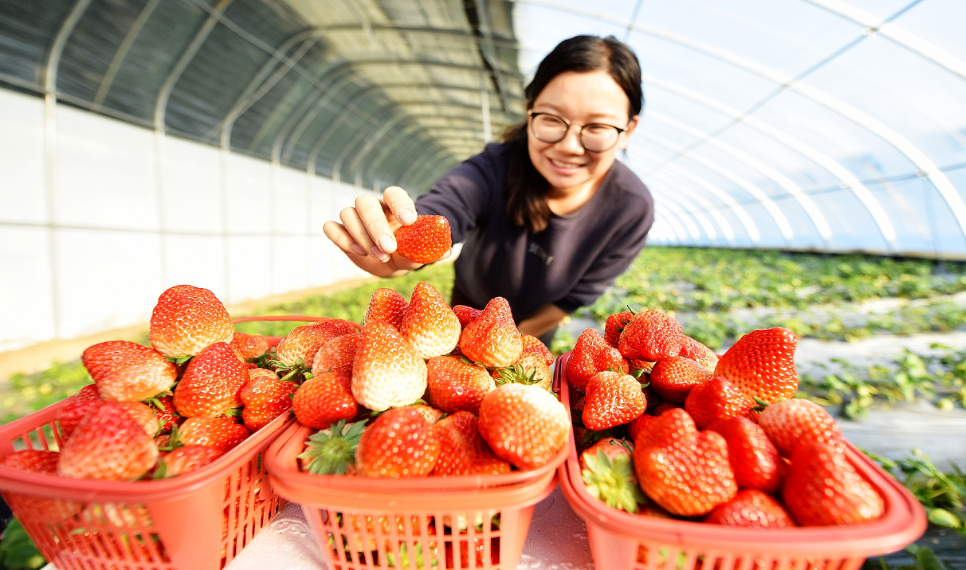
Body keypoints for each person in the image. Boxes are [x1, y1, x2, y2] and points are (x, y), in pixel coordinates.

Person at [323, 35, 654, 347]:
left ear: (628, 130)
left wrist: (512, 343)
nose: (569, 146)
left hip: (533, 334)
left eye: (597, 127)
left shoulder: (630, 209)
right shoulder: (493, 169)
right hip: (464, 317)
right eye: (552, 119)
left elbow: (574, 297)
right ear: (529, 111)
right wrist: (400, 245)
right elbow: (445, 210)